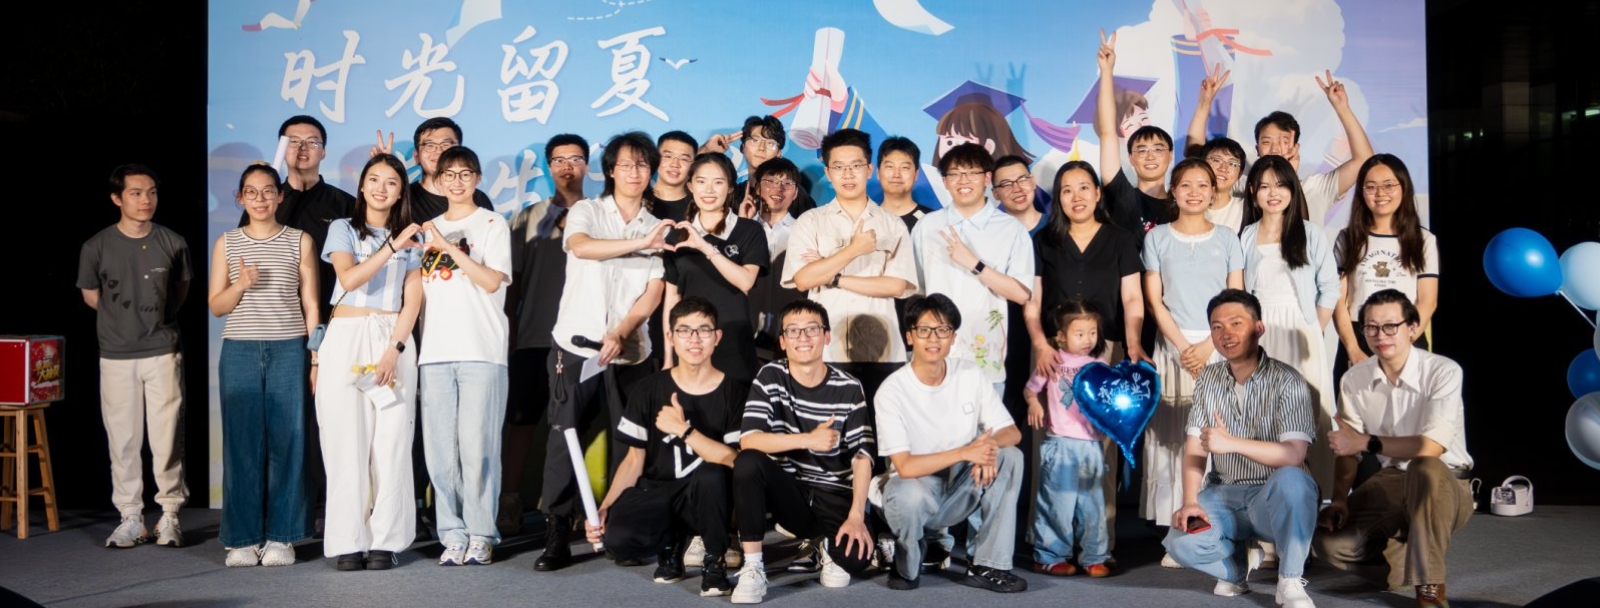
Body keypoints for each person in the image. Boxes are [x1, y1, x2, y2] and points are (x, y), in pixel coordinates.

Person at [536, 131, 672, 571]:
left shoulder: (657, 225)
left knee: (629, 443)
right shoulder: (587, 210)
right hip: (576, 345)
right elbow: (582, 247)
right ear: (610, 171)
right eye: (625, 165)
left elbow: (653, 291)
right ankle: (557, 531)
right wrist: (641, 244)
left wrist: (622, 331)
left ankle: (619, 529)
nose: (634, 173)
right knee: (565, 438)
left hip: (631, 351)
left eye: (642, 165)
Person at [1313, 290, 1473, 608]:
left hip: (1446, 481)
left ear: (1412, 327)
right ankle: (1406, 564)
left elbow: (1431, 447)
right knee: (1329, 542)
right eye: (1371, 327)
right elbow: (1348, 449)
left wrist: (1367, 442)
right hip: (1393, 479)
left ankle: (1429, 590)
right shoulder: (1354, 379)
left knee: (1424, 467)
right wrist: (1340, 498)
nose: (1380, 335)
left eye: (1390, 326)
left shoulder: (1443, 371)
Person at [1162, 289, 1320, 608]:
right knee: (1179, 544)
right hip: (1224, 495)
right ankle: (1236, 572)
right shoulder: (1208, 379)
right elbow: (1195, 448)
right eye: (1217, 326)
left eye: (1236, 323)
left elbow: (1293, 455)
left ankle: (1289, 579)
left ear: (1258, 328)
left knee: (1294, 480)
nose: (1226, 334)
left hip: (1271, 497)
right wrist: (1190, 502)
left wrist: (1232, 443)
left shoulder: (1288, 380)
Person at [1025, 160, 1148, 554]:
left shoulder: (1120, 239)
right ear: (1058, 199)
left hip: (1103, 352)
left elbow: (1132, 298)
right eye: (1066, 190)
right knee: (1050, 447)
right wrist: (1041, 344)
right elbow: (1033, 301)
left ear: (1097, 193)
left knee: (1101, 448)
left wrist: (1132, 342)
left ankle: (1098, 545)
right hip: (1053, 352)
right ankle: (1047, 545)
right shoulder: (1045, 240)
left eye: (1083, 188)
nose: (1076, 196)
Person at [584, 297, 744, 598]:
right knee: (617, 538)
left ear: (717, 336)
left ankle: (714, 561)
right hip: (660, 492)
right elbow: (633, 460)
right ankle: (669, 543)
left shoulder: (734, 392)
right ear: (670, 337)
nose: (694, 339)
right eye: (684, 330)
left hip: (706, 496)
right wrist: (605, 508)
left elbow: (733, 460)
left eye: (703, 330)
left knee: (712, 475)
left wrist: (683, 430)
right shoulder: (649, 388)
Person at [207, 163, 319, 567]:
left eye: (268, 191)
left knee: (289, 443)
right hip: (239, 351)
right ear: (240, 198)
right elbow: (216, 305)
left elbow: (311, 304)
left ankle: (282, 537)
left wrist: (315, 356)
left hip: (289, 349)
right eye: (251, 192)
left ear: (280, 196)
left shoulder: (300, 240)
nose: (260, 199)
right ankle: (242, 538)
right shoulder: (227, 242)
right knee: (241, 445)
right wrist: (240, 284)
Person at [875, 294, 1027, 593]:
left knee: (1010, 456)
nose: (934, 338)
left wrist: (987, 449)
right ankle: (908, 554)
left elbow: (1012, 432)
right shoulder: (892, 391)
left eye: (943, 330)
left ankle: (988, 565)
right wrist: (967, 452)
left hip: (960, 484)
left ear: (953, 337)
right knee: (909, 493)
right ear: (910, 336)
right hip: (912, 490)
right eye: (924, 330)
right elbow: (904, 467)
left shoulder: (969, 373)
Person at [315, 154, 424, 571]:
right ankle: (347, 540)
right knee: (344, 441)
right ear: (361, 186)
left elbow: (412, 300)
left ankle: (386, 541)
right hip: (346, 334)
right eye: (374, 179)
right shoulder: (343, 228)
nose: (381, 188)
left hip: (391, 335)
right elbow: (349, 278)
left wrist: (395, 349)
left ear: (400, 192)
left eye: (391, 182)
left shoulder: (411, 235)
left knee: (392, 443)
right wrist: (392, 246)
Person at [730, 299, 877, 603]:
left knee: (856, 559)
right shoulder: (770, 376)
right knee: (748, 462)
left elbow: (863, 456)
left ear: (826, 336)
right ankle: (753, 566)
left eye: (812, 329)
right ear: (783, 341)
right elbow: (750, 440)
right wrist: (808, 439)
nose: (803, 338)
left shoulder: (849, 386)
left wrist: (856, 516)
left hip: (835, 492)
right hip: (792, 494)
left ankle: (823, 546)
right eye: (793, 331)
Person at [79, 164, 192, 549]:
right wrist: (122, 322)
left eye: (152, 192)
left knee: (167, 436)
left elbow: (179, 292)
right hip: (116, 354)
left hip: (162, 350)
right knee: (123, 438)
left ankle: (170, 514)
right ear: (117, 198)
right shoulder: (96, 246)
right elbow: (91, 295)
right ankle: (130, 517)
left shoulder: (173, 242)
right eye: (136, 193)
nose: (146, 200)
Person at [415, 146, 513, 566]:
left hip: (481, 350)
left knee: (478, 449)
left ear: (476, 179)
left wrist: (450, 248)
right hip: (434, 353)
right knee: (440, 453)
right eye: (449, 174)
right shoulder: (425, 229)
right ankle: (452, 534)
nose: (457, 181)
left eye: (465, 173)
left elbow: (492, 281)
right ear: (438, 180)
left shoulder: (492, 223)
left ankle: (481, 533)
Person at [1141, 158, 1244, 560]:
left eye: (1203, 184)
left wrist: (1210, 345)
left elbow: (1236, 301)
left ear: (1214, 191)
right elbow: (1155, 301)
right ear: (1174, 191)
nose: (1195, 192)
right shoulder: (1157, 238)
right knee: (1173, 443)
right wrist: (1184, 346)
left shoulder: (1228, 238)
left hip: (1220, 347)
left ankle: (1227, 531)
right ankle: (1179, 535)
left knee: (1218, 437)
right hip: (1173, 348)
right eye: (1186, 185)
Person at [782, 128, 917, 403]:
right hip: (825, 351)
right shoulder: (810, 221)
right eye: (838, 167)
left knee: (880, 426)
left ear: (869, 170)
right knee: (826, 427)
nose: (847, 174)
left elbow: (895, 285)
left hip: (881, 350)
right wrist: (854, 250)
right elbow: (804, 279)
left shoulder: (892, 224)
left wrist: (833, 277)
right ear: (828, 173)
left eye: (855, 166)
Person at [500, 133, 590, 536]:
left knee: (575, 425)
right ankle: (510, 500)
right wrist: (510, 332)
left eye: (575, 159)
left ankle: (574, 505)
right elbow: (513, 285)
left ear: (587, 165)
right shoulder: (527, 218)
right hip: (534, 338)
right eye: (558, 160)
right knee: (521, 423)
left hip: (582, 339)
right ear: (548, 167)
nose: (567, 166)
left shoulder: (599, 214)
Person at [1240, 155, 1340, 501]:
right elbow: (1242, 292)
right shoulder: (1246, 235)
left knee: (1310, 412)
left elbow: (1330, 287)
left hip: (1301, 332)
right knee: (1264, 414)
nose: (1273, 193)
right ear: (1253, 192)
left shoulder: (1310, 233)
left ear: (1293, 190)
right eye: (1264, 186)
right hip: (1262, 334)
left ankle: (1320, 498)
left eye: (1281, 185)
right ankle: (1267, 500)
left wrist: (1313, 329)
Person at [911, 143, 1033, 392]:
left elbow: (1021, 294)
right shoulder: (927, 227)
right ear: (945, 182)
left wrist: (975, 264)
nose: (963, 180)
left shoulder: (1011, 229)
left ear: (987, 178)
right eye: (954, 174)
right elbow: (917, 290)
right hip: (934, 359)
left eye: (971, 173)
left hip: (985, 362)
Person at [661, 153, 769, 383]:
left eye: (718, 182)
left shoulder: (749, 230)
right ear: (690, 186)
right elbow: (672, 298)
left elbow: (746, 282)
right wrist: (669, 357)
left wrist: (705, 247)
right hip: (690, 342)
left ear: (730, 187)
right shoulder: (677, 236)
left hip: (734, 340)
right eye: (701, 181)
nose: (708, 190)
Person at [1023, 300, 1112, 578]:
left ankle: (1094, 557)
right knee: (1057, 502)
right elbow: (1030, 389)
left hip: (1092, 444)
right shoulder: (1053, 360)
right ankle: (1050, 556)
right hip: (1061, 443)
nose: (1088, 340)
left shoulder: (1099, 363)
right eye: (1080, 333)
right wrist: (1034, 403)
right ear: (1061, 336)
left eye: (1093, 333)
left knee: (1092, 504)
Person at [1333, 155, 1437, 366]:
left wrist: (1403, 344)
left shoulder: (1423, 239)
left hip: (1406, 337)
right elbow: (1337, 299)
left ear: (1403, 187)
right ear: (1361, 192)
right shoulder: (1348, 238)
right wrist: (1353, 350)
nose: (1380, 193)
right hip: (1359, 338)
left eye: (1389, 185)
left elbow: (1427, 301)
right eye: (1371, 187)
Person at [1251, 70, 1376, 226]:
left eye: (1284, 141)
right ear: (1257, 149)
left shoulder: (1315, 189)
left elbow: (1364, 160)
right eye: (1267, 142)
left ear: (1296, 147)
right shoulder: (1244, 188)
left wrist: (1342, 108)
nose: (1275, 149)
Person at [1095, 30, 1174, 239]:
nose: (1150, 156)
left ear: (1171, 155)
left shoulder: (1183, 203)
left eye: (1158, 149)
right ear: (1130, 158)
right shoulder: (1121, 194)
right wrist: (1106, 72)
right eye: (1141, 150)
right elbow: (1107, 132)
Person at [372, 117, 495, 221]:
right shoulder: (404, 198)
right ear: (416, 156)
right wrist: (384, 168)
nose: (439, 151)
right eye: (429, 145)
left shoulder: (478, 199)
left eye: (446, 144)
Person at [746, 157, 807, 360]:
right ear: (757, 188)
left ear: (795, 193)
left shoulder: (805, 232)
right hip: (744, 335)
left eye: (787, 183)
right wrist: (743, 226)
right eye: (770, 181)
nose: (778, 189)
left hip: (790, 339)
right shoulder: (741, 228)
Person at [1183, 66, 1250, 234]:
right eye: (1216, 160)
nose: (1223, 168)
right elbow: (1193, 148)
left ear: (1240, 173)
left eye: (1233, 164)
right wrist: (1204, 103)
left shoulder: (1247, 210)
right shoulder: (1185, 203)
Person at [877, 136, 935, 230]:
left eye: (905, 167)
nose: (896, 174)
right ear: (878, 173)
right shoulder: (865, 220)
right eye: (890, 167)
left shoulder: (932, 221)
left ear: (916, 174)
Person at [649, 130, 698, 222]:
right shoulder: (639, 200)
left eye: (684, 159)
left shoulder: (699, 207)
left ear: (693, 165)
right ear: (656, 158)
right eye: (668, 156)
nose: (675, 164)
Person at [992, 155, 1045, 236]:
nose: (1017, 189)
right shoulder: (991, 236)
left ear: (1033, 182)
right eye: (1006, 184)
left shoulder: (1059, 226)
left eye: (1022, 180)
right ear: (995, 194)